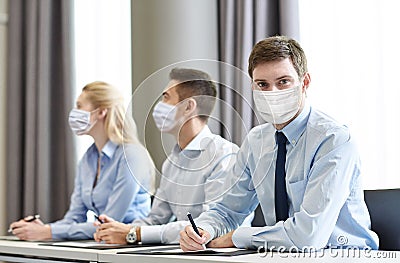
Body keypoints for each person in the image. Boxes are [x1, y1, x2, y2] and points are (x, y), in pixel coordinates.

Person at [180, 36, 379, 251]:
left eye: (283, 81)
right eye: (262, 84)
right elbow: (228, 209)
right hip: (281, 255)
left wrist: (237, 237)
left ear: (304, 83)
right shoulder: (256, 141)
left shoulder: (334, 140)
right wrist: (202, 229)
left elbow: (308, 236)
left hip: (343, 255)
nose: (272, 93)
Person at [94, 68, 253, 245]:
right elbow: (155, 219)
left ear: (188, 107)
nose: (159, 104)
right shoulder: (172, 162)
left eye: (166, 97)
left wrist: (135, 233)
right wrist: (118, 229)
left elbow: (208, 228)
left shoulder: (224, 156)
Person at [9, 81, 155, 240]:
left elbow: (111, 223)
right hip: (103, 244)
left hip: (131, 245)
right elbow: (75, 216)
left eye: (79, 106)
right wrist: (42, 228)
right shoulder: (88, 159)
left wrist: (48, 231)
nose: (74, 112)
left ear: (101, 112)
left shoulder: (131, 156)